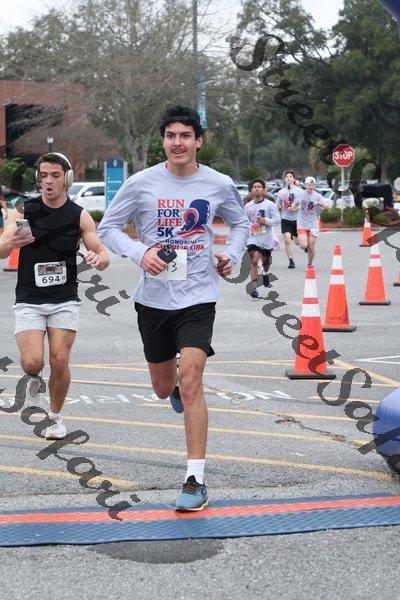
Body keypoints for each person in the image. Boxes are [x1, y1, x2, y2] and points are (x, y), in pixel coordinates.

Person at [98, 105, 249, 512]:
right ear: (163, 140)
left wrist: (231, 255)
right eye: (170, 136)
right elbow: (107, 228)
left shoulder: (218, 183)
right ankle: (175, 388)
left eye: (185, 135)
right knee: (164, 387)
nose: (177, 143)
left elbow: (240, 223)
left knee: (194, 379)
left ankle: (195, 479)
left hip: (198, 297)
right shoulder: (141, 183)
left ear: (199, 141)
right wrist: (140, 252)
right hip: (153, 300)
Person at [0, 152, 109, 439]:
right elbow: (1, 250)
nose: (48, 181)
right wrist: (11, 242)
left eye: (55, 175)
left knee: (59, 359)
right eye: (44, 175)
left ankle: (55, 418)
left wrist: (98, 259)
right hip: (29, 299)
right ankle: (34, 378)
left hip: (64, 299)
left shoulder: (79, 215)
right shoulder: (24, 210)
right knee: (33, 362)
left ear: (67, 179)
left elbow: (102, 253)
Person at [244, 178, 281, 298]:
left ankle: (265, 273)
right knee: (254, 260)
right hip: (253, 237)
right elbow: (244, 222)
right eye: (254, 187)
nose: (257, 189)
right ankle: (254, 287)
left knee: (265, 262)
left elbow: (277, 220)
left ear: (264, 190)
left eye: (259, 187)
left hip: (266, 238)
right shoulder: (248, 206)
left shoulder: (270, 205)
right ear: (251, 190)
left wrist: (265, 221)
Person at [292, 176, 329, 266]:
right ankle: (297, 237)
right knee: (304, 245)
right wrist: (293, 207)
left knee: (311, 245)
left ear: (315, 186)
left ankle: (309, 263)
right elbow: (295, 204)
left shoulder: (318, 196)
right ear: (305, 185)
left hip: (313, 224)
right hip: (302, 223)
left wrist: (320, 204)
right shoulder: (300, 194)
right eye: (309, 185)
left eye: (312, 185)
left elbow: (327, 207)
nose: (311, 187)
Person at [276, 170, 302, 268]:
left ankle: (301, 242)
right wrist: (279, 205)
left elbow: (303, 204)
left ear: (294, 179)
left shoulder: (300, 191)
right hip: (285, 219)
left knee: (298, 242)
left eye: (291, 176)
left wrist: (295, 208)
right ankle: (291, 261)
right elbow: (278, 204)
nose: (289, 178)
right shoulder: (281, 192)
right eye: (287, 176)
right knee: (287, 240)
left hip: (297, 219)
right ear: (284, 179)